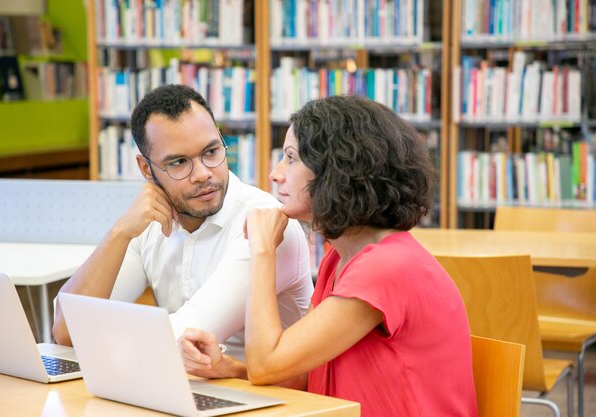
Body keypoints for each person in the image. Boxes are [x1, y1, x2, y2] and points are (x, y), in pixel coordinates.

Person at [181, 95, 478, 416]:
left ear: (338, 170)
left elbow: (267, 364)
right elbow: (304, 372)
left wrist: (263, 250)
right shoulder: (340, 258)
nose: (275, 175)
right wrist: (229, 367)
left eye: (291, 158)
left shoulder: (387, 267)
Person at [52, 85, 314, 371]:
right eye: (178, 162)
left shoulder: (265, 223)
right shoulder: (146, 222)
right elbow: (66, 332)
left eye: (211, 151)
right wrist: (120, 232)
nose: (202, 174)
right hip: (190, 392)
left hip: (274, 403)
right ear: (146, 169)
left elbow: (185, 337)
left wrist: (96, 334)